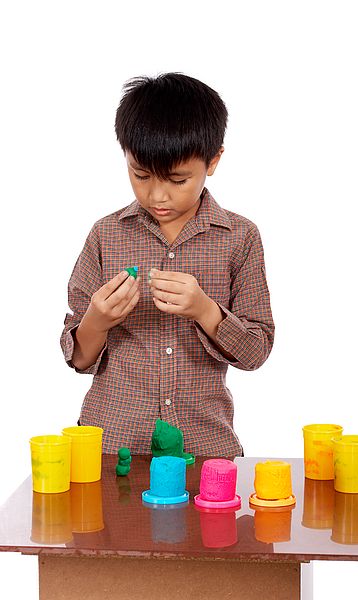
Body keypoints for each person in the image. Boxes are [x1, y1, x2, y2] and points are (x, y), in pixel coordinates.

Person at [60, 72, 275, 457]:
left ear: (214, 161)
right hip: (112, 447)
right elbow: (78, 358)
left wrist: (206, 310)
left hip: (205, 448)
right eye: (140, 175)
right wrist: (97, 320)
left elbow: (256, 353)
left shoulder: (240, 237)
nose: (157, 194)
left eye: (177, 179)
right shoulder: (106, 234)